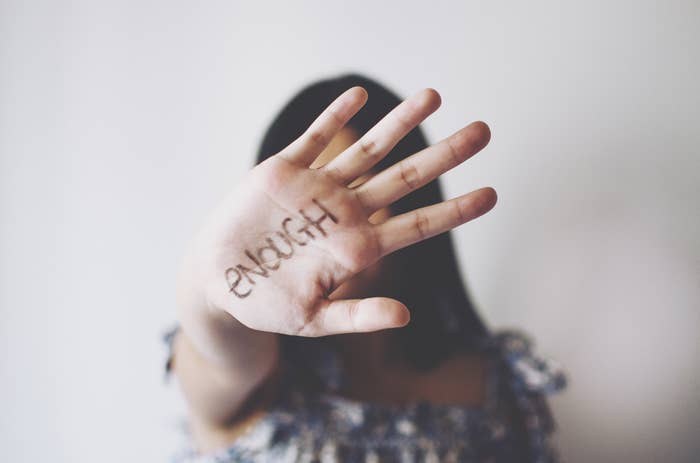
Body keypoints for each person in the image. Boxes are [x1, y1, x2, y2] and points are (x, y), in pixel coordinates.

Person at [164, 73, 566, 462]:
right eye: (301, 206)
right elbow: (216, 353)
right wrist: (213, 290)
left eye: (353, 193)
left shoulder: (492, 382)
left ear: (407, 200)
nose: (319, 230)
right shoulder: (253, 375)